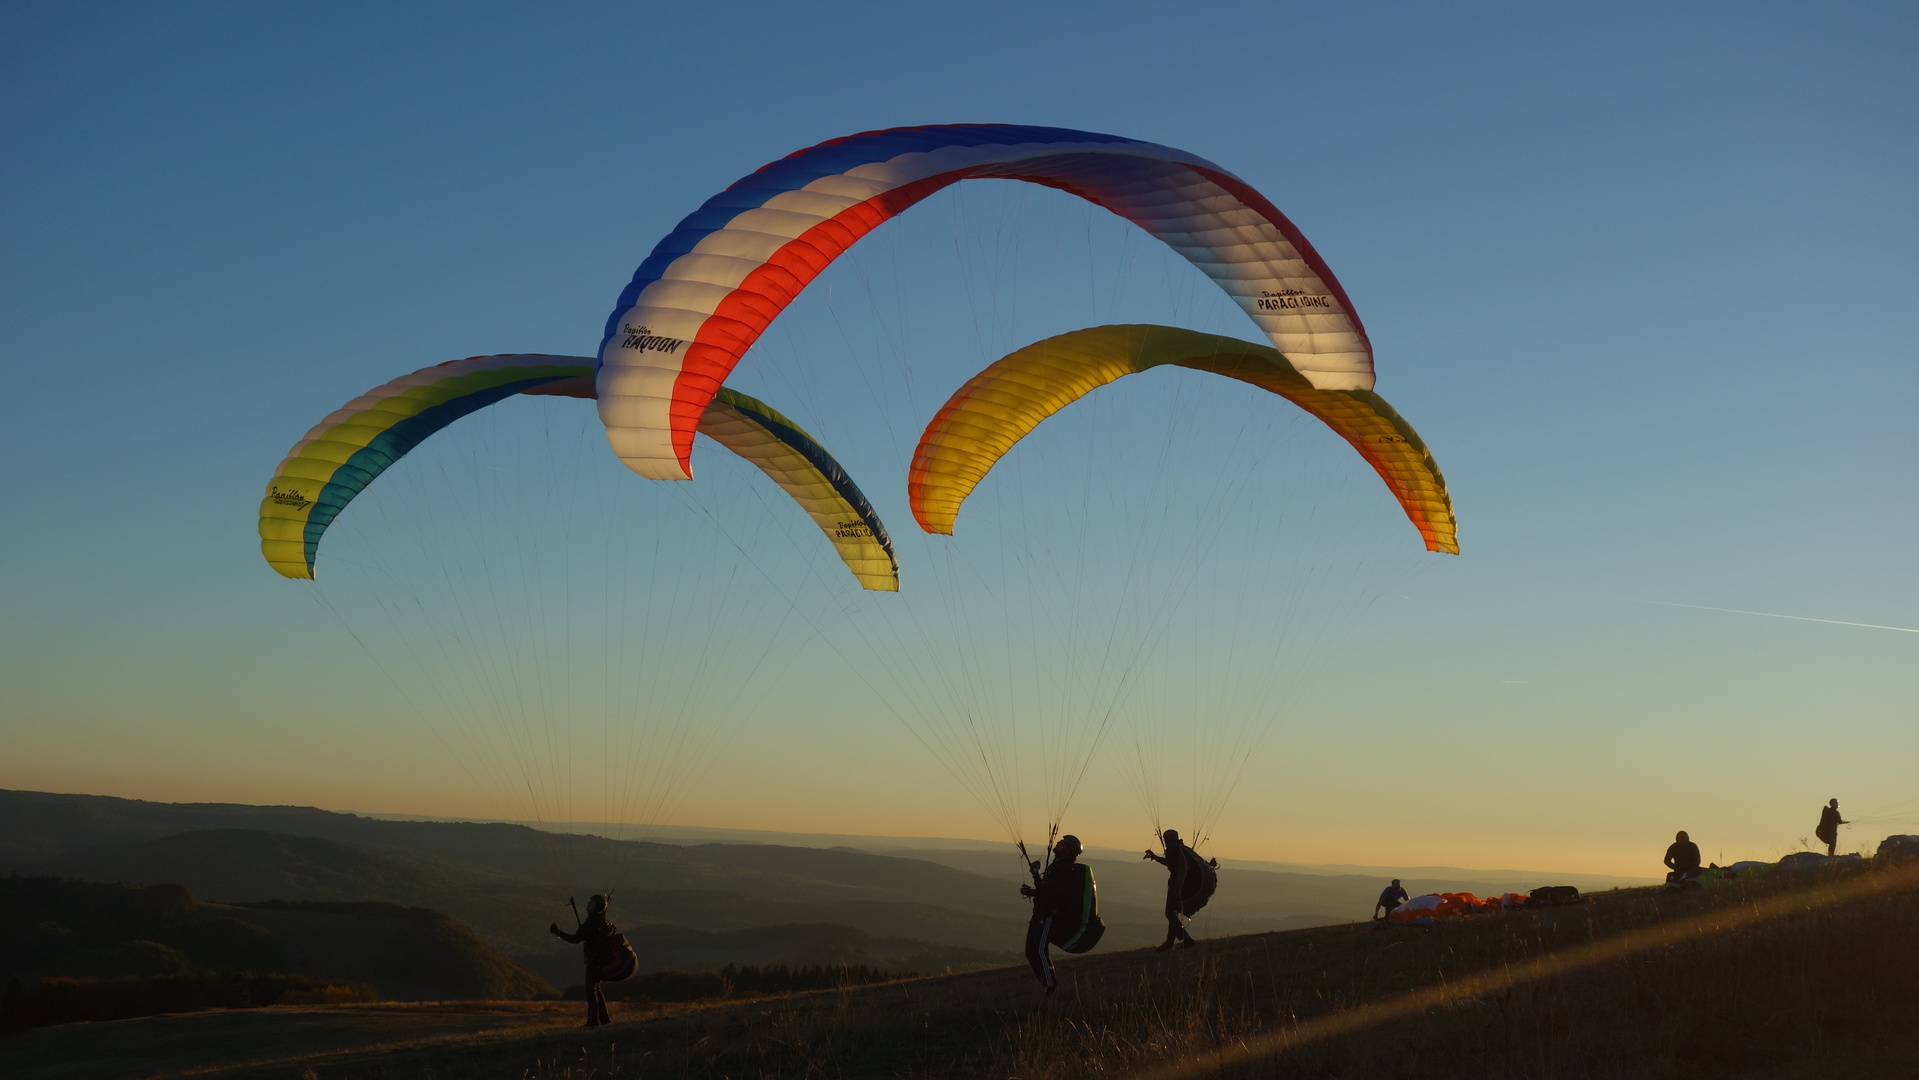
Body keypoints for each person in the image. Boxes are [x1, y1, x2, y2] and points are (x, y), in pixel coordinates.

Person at [1021, 834, 1097, 993]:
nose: (1058, 843)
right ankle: (1046, 982)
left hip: (1049, 915)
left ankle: (1050, 985)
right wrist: (1035, 875)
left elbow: (1053, 892)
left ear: (1068, 851)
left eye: (1062, 843)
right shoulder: (1056, 866)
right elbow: (1045, 886)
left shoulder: (1065, 870)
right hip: (1040, 913)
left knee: (1039, 950)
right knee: (1030, 951)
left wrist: (1032, 892)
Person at [550, 894, 635, 1027]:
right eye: (589, 901)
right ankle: (604, 1019)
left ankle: (593, 1021)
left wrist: (557, 932)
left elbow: (575, 939)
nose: (588, 904)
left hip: (595, 962)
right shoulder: (602, 921)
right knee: (595, 989)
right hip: (601, 961)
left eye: (592, 903)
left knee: (591, 990)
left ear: (598, 906)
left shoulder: (592, 923)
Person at [1143, 829, 1217, 951]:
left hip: (1177, 884)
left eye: (1166, 840)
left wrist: (1155, 857)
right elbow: (1196, 861)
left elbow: (1170, 863)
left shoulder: (1173, 849)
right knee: (1174, 912)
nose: (1165, 842)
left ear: (1169, 839)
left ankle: (1186, 939)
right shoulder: (1184, 848)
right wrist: (1210, 865)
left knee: (1169, 912)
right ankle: (1170, 941)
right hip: (1183, 884)